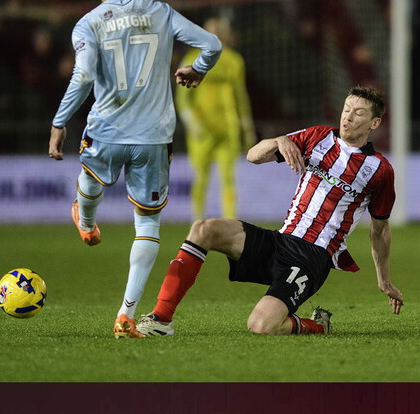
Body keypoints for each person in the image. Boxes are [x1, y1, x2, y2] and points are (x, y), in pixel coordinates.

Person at [48, 0, 222, 338]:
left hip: (106, 129)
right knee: (147, 223)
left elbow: (84, 76)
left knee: (90, 179)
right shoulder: (160, 12)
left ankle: (86, 219)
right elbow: (212, 44)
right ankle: (126, 314)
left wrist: (60, 122)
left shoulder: (88, 23)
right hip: (154, 136)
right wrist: (196, 70)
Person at [136, 86, 404, 337]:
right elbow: (253, 155)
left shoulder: (379, 170)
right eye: (346, 108)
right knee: (203, 229)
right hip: (279, 241)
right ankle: (161, 320)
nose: (348, 117)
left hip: (311, 258)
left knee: (261, 326)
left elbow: (379, 230)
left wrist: (384, 279)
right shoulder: (319, 136)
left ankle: (317, 326)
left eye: (359, 113)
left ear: (374, 123)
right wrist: (278, 141)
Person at [176, 17, 255, 220]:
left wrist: (246, 125)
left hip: (228, 128)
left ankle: (229, 222)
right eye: (213, 31)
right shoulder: (192, 59)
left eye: (220, 31)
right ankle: (197, 221)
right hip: (203, 129)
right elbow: (183, 98)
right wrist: (192, 122)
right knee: (201, 176)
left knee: (228, 178)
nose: (217, 35)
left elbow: (240, 95)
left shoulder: (234, 60)